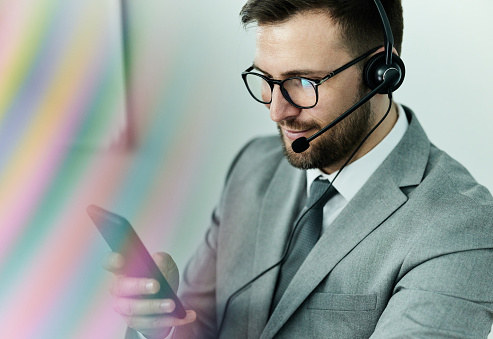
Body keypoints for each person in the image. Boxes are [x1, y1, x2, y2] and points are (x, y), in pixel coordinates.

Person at [105, 1, 493, 338]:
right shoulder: (253, 168)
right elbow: (200, 327)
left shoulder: (462, 225)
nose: (276, 111)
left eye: (303, 82)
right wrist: (161, 323)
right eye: (266, 80)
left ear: (381, 73)